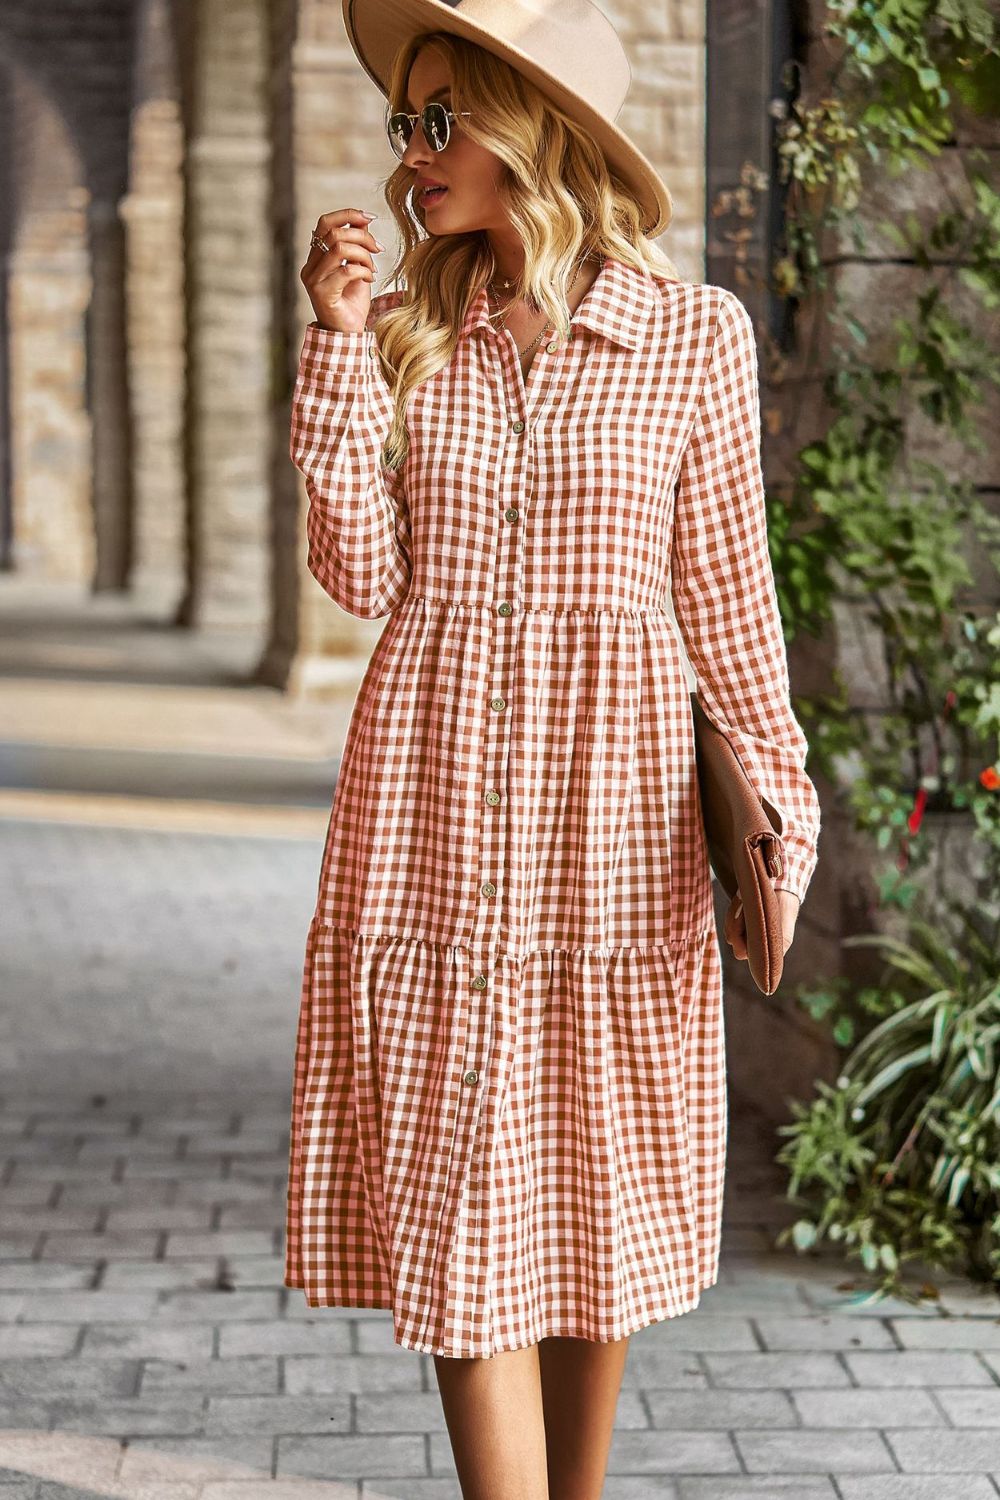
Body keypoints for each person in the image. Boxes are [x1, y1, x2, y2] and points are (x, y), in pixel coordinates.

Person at [285, 1, 822, 1495]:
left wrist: (775, 811)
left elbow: (727, 601)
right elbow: (363, 578)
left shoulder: (691, 337)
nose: (413, 155)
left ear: (533, 123)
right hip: (433, 816)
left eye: (441, 118)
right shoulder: (411, 341)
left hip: (616, 827)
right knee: (464, 1214)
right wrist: (335, 356)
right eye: (407, 124)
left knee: (592, 1212)